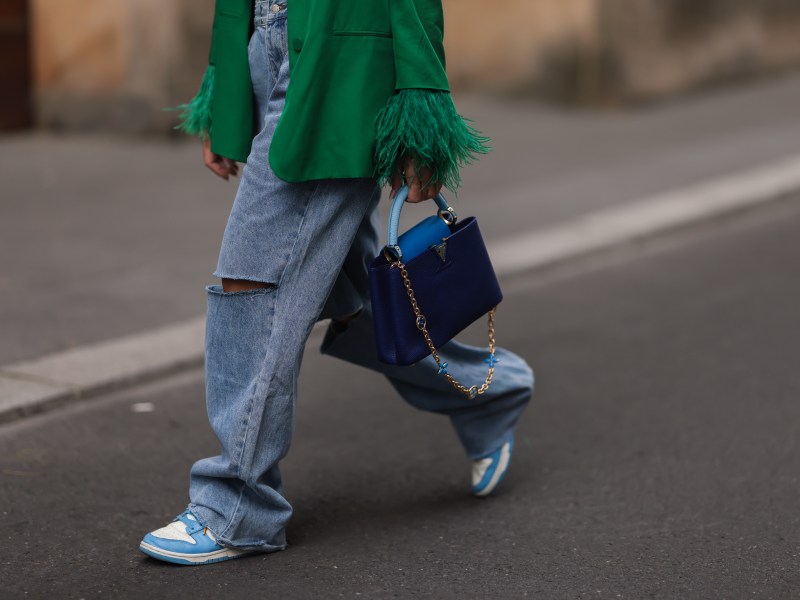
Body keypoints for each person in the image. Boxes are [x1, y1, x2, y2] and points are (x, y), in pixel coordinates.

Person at [138, 0, 534, 566]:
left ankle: (238, 505)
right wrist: (227, 86)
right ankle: (490, 394)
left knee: (253, 280)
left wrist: (420, 108)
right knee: (354, 302)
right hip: (271, 43)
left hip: (341, 70)